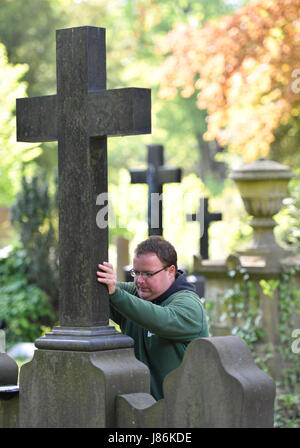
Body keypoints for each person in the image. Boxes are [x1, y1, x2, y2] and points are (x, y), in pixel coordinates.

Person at [96, 236, 209, 400]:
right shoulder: (135, 294)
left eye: (148, 274)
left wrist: (115, 294)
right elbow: (104, 290)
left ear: (170, 271)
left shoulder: (189, 305)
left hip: (184, 414)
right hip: (140, 410)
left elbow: (161, 319)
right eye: (136, 273)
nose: (139, 281)